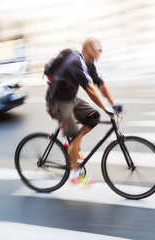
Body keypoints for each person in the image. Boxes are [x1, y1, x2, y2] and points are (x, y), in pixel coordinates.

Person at [46, 37, 116, 185]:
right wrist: (106, 108)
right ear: (89, 49)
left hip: (71, 99)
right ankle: (74, 174)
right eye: (99, 47)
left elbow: (100, 84)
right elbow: (90, 89)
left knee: (93, 117)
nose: (101, 51)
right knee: (74, 136)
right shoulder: (75, 62)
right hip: (57, 102)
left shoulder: (89, 63)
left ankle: (72, 144)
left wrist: (113, 104)